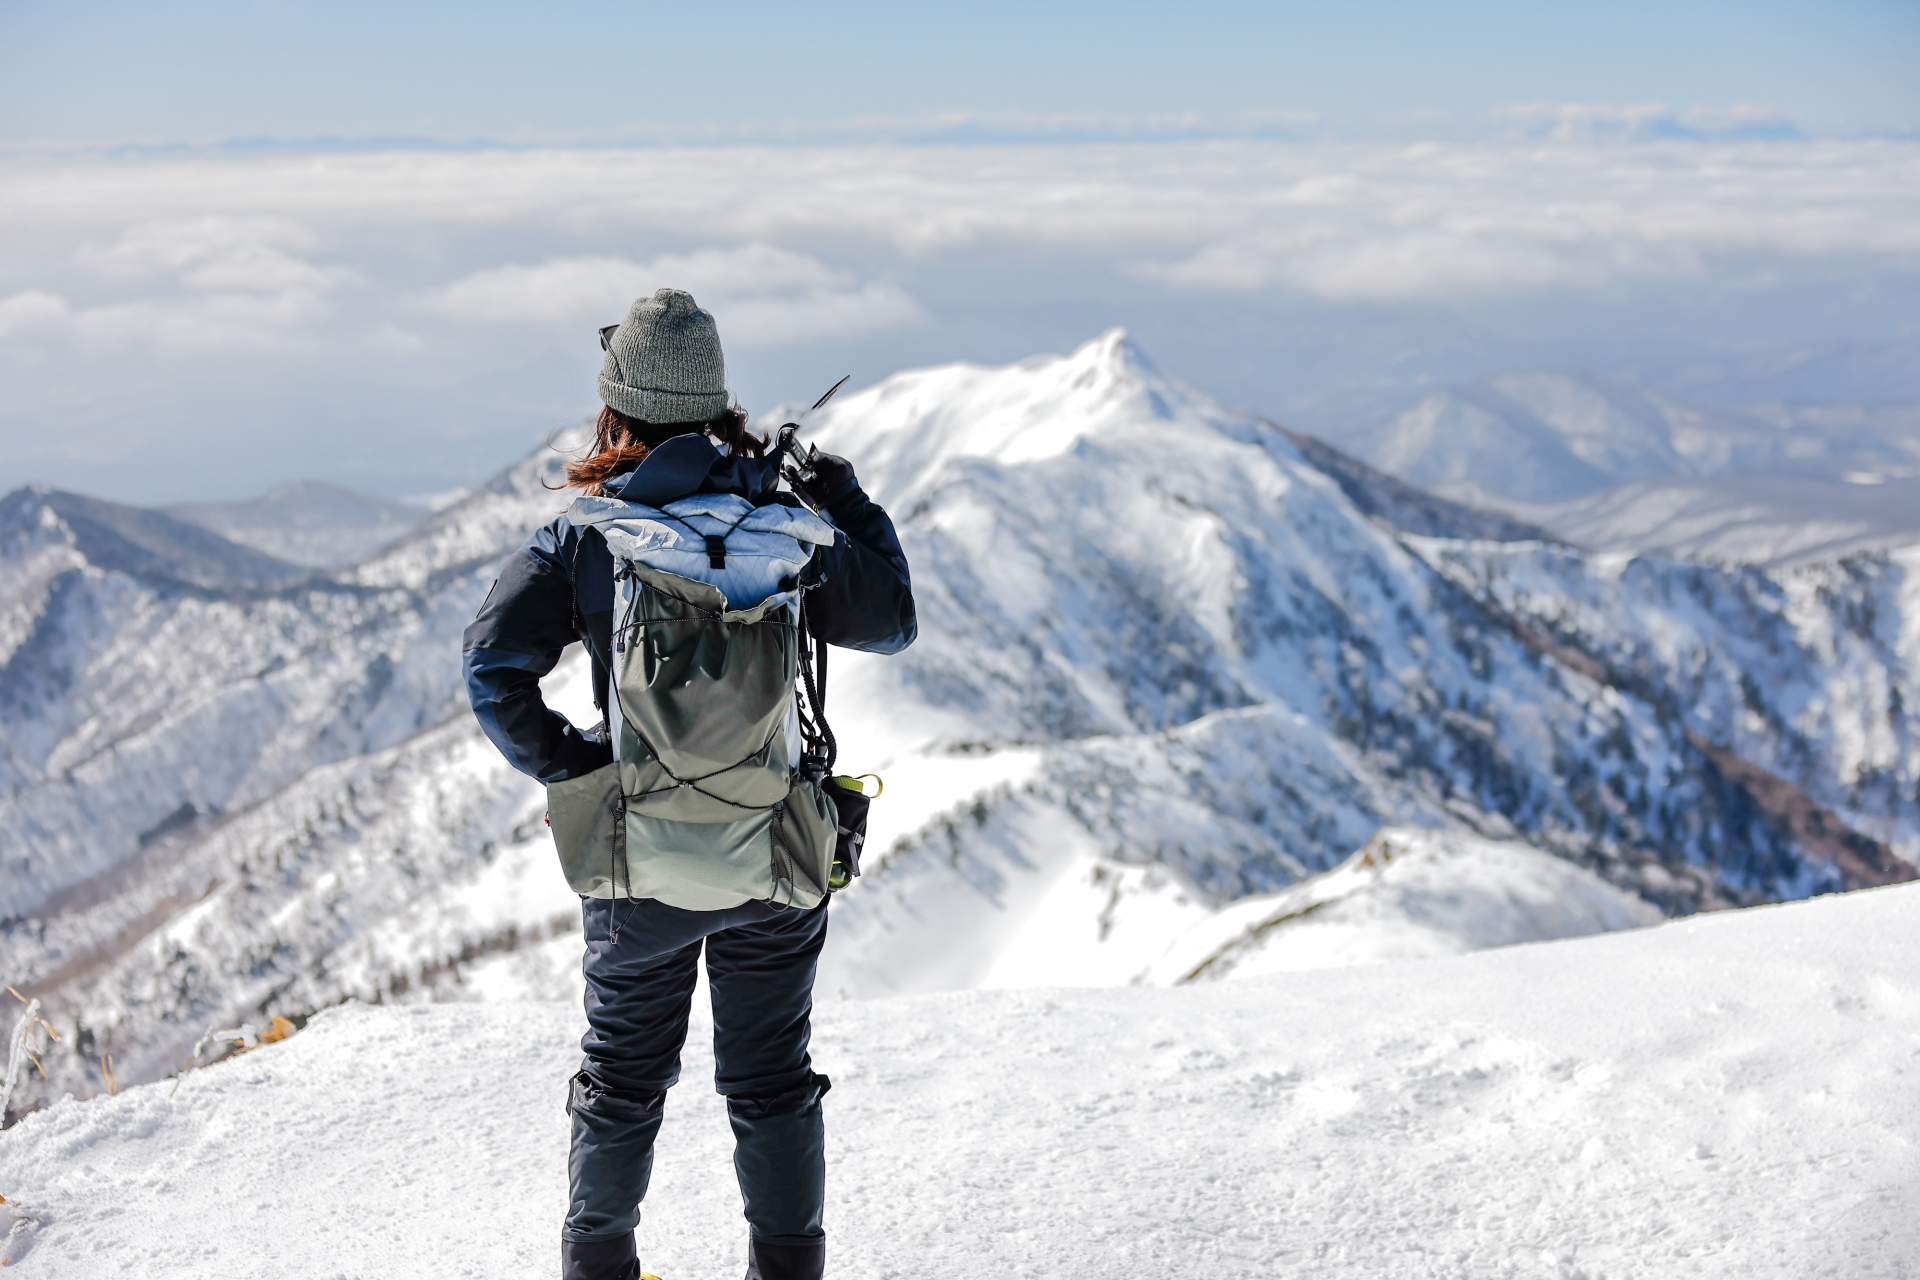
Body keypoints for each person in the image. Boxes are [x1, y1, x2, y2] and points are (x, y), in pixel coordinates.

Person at [463, 288, 916, 1280]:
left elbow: (490, 669)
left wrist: (582, 769)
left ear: (616, 408)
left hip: (640, 861)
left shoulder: (589, 538)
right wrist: (837, 490)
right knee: (771, 1079)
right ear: (716, 403)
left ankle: (602, 1266)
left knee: (621, 1078)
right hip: (775, 851)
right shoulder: (789, 527)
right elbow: (893, 619)